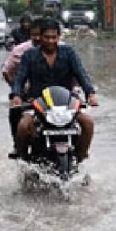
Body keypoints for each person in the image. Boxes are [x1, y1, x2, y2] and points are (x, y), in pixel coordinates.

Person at [11, 18, 98, 162]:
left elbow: (81, 74)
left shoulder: (69, 53)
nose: (50, 41)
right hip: (38, 103)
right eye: (47, 37)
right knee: (23, 126)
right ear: (40, 37)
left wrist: (91, 93)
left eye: (54, 37)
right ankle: (23, 159)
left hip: (67, 103)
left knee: (88, 122)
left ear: (59, 37)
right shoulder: (29, 55)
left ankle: (80, 157)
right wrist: (16, 95)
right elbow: (19, 78)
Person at [3, 18, 42, 156]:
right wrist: (17, 90)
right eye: (34, 35)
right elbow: (7, 72)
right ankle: (18, 145)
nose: (38, 38)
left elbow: (77, 75)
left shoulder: (64, 50)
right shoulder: (21, 51)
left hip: (53, 93)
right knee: (15, 111)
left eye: (40, 35)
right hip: (25, 93)